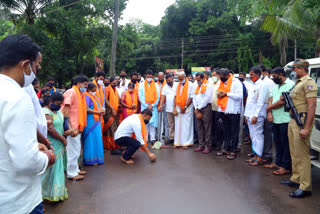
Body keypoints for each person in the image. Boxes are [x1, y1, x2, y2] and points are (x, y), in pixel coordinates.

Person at [0, 34, 54, 214]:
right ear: (25, 65)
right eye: (36, 67)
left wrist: (32, 145)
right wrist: (48, 157)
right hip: (19, 202)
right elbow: (26, 162)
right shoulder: (16, 96)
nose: (37, 71)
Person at [280, 59, 318, 198]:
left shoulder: (309, 82)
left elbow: (312, 106)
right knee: (294, 152)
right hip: (293, 120)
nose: (293, 71)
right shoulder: (298, 83)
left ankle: (305, 186)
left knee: (302, 155)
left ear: (302, 69)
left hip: (301, 120)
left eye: (295, 69)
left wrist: (306, 128)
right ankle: (296, 179)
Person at [42, 93, 74, 202]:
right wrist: (62, 139)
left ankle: (57, 192)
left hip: (60, 141)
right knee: (50, 168)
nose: (59, 106)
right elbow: (50, 129)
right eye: (57, 103)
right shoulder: (46, 112)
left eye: (61, 104)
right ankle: (45, 193)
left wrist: (68, 131)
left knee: (58, 168)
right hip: (52, 143)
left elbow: (62, 123)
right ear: (51, 101)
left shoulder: (57, 111)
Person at [265, 67, 294, 175]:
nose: (273, 78)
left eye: (274, 76)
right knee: (277, 142)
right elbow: (271, 99)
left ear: (281, 74)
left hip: (285, 119)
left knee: (285, 143)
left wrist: (269, 108)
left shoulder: (290, 85)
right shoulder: (276, 86)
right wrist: (269, 112)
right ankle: (278, 162)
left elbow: (283, 102)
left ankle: (285, 166)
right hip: (275, 119)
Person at [61, 74, 89, 181]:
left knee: (77, 149)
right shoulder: (71, 92)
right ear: (78, 83)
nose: (86, 88)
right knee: (73, 150)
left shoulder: (80, 94)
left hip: (78, 126)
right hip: (72, 126)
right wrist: (70, 127)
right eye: (85, 85)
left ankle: (76, 169)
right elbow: (66, 110)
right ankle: (71, 173)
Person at [216, 68, 243, 160]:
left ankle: (233, 151)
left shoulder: (236, 82)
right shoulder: (222, 83)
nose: (220, 78)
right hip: (223, 110)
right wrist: (219, 94)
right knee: (226, 131)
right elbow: (220, 93)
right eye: (219, 76)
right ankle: (226, 148)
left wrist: (226, 94)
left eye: (222, 77)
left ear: (228, 75)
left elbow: (239, 96)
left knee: (234, 131)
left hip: (233, 111)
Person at [244, 67, 267, 165]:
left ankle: (259, 158)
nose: (250, 76)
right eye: (250, 74)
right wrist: (246, 115)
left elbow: (260, 102)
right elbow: (249, 102)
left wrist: (255, 115)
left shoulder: (262, 85)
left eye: (252, 75)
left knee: (258, 135)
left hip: (256, 115)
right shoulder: (252, 85)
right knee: (253, 136)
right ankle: (255, 155)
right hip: (250, 114)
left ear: (258, 74)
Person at [83, 83, 105, 165]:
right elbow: (86, 109)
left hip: (97, 120)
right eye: (93, 90)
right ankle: (90, 159)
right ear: (88, 89)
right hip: (90, 120)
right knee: (90, 139)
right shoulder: (86, 96)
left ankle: (97, 158)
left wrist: (101, 110)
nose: (95, 92)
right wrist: (97, 112)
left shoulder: (94, 97)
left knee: (97, 138)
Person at [173, 71, 194, 148]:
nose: (180, 80)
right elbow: (175, 96)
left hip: (187, 108)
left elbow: (191, 97)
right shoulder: (177, 85)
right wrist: (174, 107)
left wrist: (185, 107)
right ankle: (177, 142)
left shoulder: (191, 85)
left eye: (181, 79)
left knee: (186, 126)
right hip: (178, 108)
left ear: (185, 77)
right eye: (179, 79)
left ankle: (186, 143)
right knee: (178, 126)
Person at [193, 72, 213, 154]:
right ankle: (201, 145)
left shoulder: (208, 86)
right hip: (197, 108)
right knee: (199, 127)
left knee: (207, 127)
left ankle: (208, 146)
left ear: (203, 78)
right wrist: (195, 108)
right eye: (197, 80)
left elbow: (206, 99)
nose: (198, 81)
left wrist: (198, 108)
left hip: (206, 108)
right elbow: (194, 97)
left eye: (199, 79)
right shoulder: (197, 86)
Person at [138, 70, 160, 144]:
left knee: (153, 124)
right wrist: (147, 105)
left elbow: (158, 96)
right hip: (145, 107)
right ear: (145, 76)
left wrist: (152, 105)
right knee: (145, 123)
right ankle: (146, 138)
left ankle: (153, 138)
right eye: (148, 77)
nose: (149, 78)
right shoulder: (141, 85)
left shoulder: (156, 85)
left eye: (150, 77)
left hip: (153, 107)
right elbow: (140, 96)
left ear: (152, 76)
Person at [259, 65, 275, 164]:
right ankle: (260, 153)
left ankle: (268, 155)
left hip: (267, 109)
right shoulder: (261, 82)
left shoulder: (269, 82)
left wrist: (269, 112)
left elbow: (271, 97)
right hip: (261, 109)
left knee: (268, 133)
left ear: (264, 72)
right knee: (261, 133)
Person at [103, 77, 122, 152]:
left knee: (115, 128)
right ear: (110, 82)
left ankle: (114, 143)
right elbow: (105, 99)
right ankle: (109, 145)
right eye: (113, 83)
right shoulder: (107, 88)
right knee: (110, 128)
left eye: (116, 83)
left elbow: (118, 100)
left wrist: (119, 106)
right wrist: (112, 108)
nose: (115, 84)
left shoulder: (115, 90)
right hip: (109, 111)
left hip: (115, 111)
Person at [159, 73, 177, 144]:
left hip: (176, 109)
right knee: (171, 124)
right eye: (167, 81)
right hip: (168, 108)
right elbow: (163, 97)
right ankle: (172, 137)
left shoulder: (177, 85)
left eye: (170, 80)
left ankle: (178, 138)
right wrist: (160, 105)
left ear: (172, 79)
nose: (169, 82)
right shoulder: (165, 87)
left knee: (177, 124)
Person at [211, 68, 223, 150]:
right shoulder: (211, 83)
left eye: (214, 75)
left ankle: (220, 143)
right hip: (211, 108)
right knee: (213, 126)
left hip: (219, 108)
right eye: (212, 75)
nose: (213, 77)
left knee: (219, 126)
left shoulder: (221, 84)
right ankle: (214, 142)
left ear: (218, 75)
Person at [157, 72, 169, 142]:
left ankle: (166, 136)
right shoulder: (155, 84)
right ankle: (158, 137)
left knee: (166, 121)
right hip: (158, 105)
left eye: (162, 77)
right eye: (159, 77)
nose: (160, 79)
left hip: (166, 104)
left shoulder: (166, 84)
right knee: (158, 122)